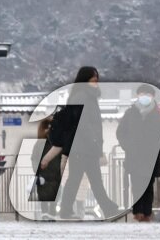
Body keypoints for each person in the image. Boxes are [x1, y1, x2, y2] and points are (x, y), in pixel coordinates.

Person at [41, 66, 117, 219]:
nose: (96, 81)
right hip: (83, 146)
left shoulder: (85, 95)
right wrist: (94, 141)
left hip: (83, 146)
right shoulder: (83, 96)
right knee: (89, 180)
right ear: (85, 79)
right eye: (93, 78)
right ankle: (107, 208)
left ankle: (68, 208)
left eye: (97, 78)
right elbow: (83, 123)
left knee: (80, 179)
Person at [117, 83, 160, 222]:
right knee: (136, 185)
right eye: (142, 94)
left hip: (150, 158)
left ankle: (146, 213)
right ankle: (137, 212)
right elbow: (120, 133)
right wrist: (128, 147)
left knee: (148, 187)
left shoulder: (159, 115)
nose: (144, 97)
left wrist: (156, 149)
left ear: (153, 97)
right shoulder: (130, 113)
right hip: (134, 156)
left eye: (147, 94)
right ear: (137, 96)